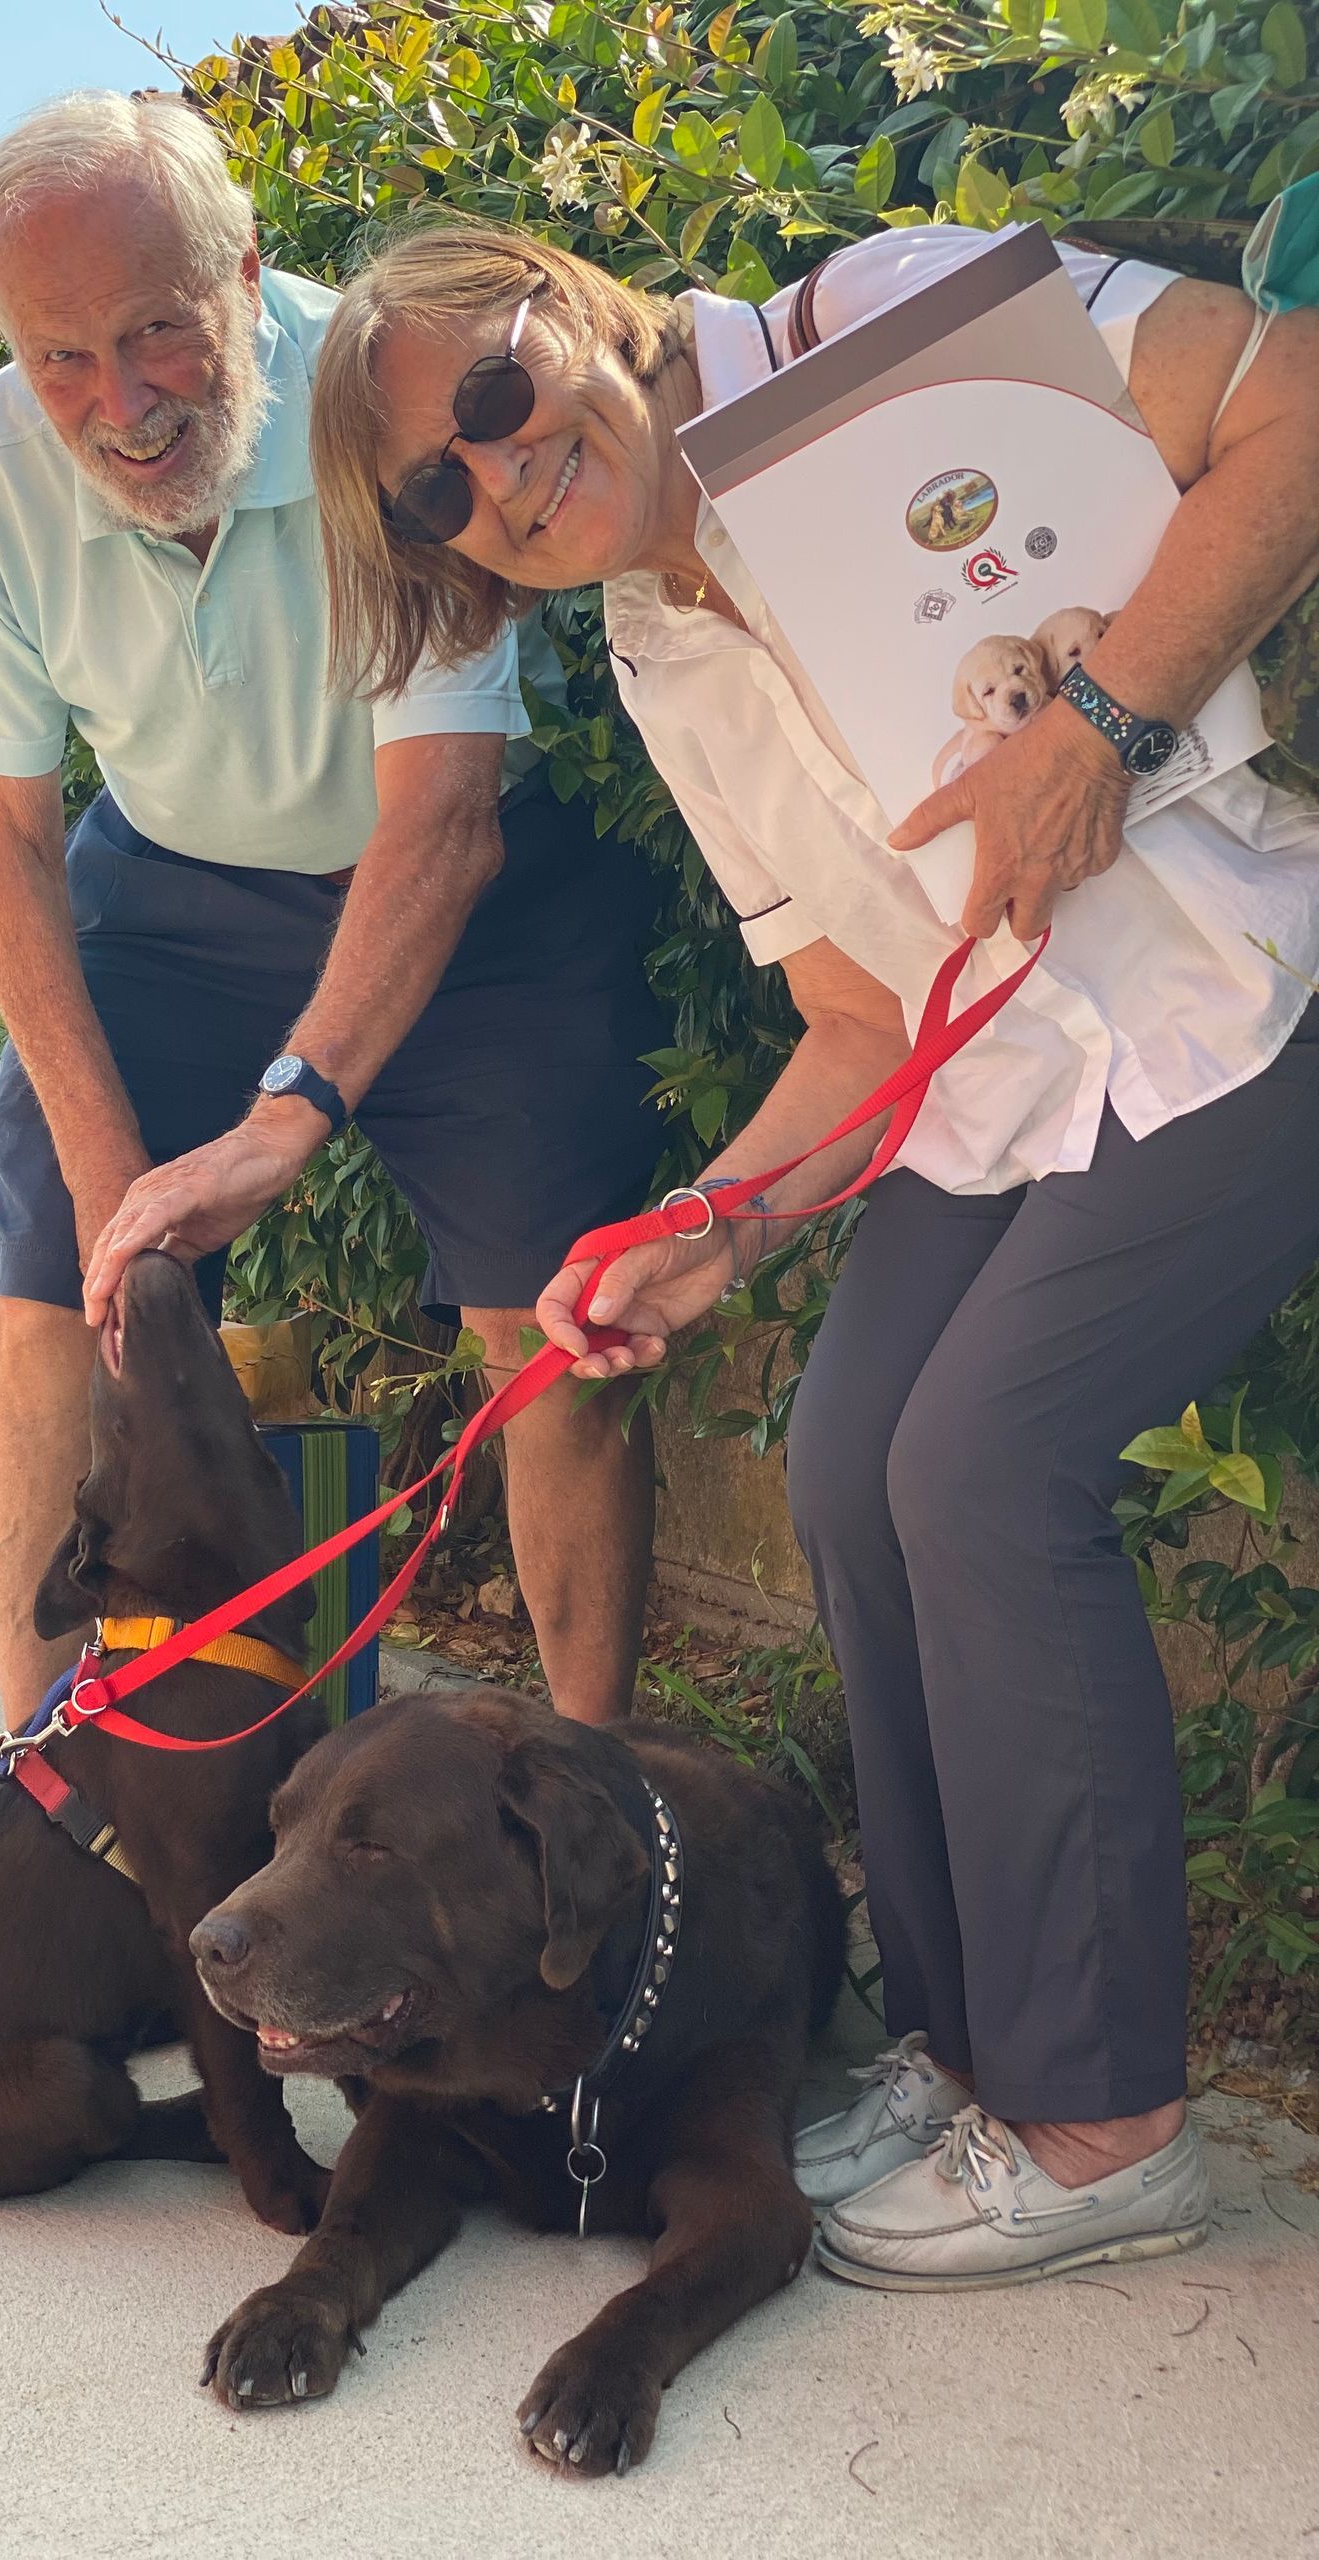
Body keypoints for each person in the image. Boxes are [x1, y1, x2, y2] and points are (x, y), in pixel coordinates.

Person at [308, 215, 1319, 2290]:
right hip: (1008, 1080)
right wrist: (704, 1227)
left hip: (1251, 985)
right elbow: (860, 1019)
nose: (497, 470)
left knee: (984, 1470)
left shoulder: (872, 322)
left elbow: (1299, 401)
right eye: (434, 489)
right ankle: (969, 2054)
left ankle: (1109, 2119)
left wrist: (1103, 726)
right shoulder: (651, 645)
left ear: (573, 302)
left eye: (494, 391)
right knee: (853, 1460)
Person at [0, 94, 668, 1736]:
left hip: (463, 891)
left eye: (156, 332)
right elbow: (5, 837)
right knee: (54, 1297)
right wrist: (112, 1197)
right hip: (170, 883)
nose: (122, 405)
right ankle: (41, 1779)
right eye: (61, 358)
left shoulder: (377, 405)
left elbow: (442, 818)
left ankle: (588, 1783)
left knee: (548, 1331)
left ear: (243, 273)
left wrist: (282, 1119)